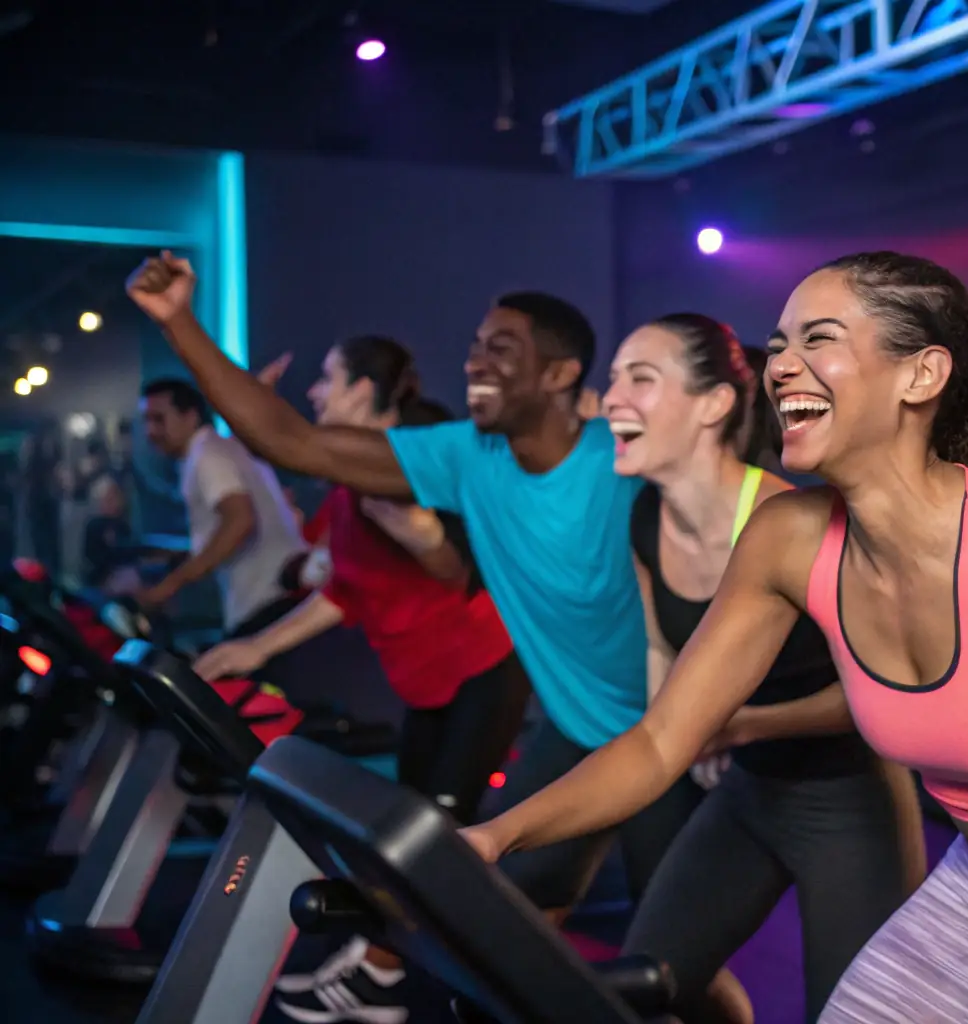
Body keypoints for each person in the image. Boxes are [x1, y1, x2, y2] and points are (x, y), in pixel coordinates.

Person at [459, 252, 968, 1024]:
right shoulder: (787, 538)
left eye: (818, 339)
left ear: (921, 373)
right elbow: (661, 742)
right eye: (777, 345)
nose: (780, 365)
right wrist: (494, 836)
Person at [125, 254, 701, 1021]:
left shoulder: (622, 458)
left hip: (676, 734)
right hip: (575, 731)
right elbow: (294, 442)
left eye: (501, 347)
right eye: (474, 343)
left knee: (674, 969)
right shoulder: (464, 455)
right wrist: (178, 322)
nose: (473, 359)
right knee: (493, 913)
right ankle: (382, 981)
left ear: (561, 374)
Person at [191, 337, 531, 1023]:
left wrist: (422, 532)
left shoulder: (404, 482)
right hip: (425, 681)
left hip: (480, 670)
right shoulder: (358, 483)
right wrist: (254, 648)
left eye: (329, 378)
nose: (317, 392)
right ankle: (384, 959)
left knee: (435, 838)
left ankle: (383, 976)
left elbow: (448, 568)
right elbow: (344, 588)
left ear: (370, 395)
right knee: (395, 831)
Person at [605, 312, 923, 1024]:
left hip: (849, 798)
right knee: (646, 985)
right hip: (749, 796)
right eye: (612, 377)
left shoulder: (797, 520)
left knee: (852, 1013)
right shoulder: (641, 520)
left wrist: (738, 723)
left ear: (714, 404)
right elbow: (665, 647)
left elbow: (885, 694)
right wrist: (680, 731)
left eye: (639, 378)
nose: (610, 397)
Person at [137, 378, 306, 636]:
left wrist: (170, 585)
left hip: (267, 603)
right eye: (146, 421)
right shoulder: (213, 449)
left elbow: (240, 520)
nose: (150, 431)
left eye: (159, 419)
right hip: (278, 597)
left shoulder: (206, 455)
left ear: (191, 416)